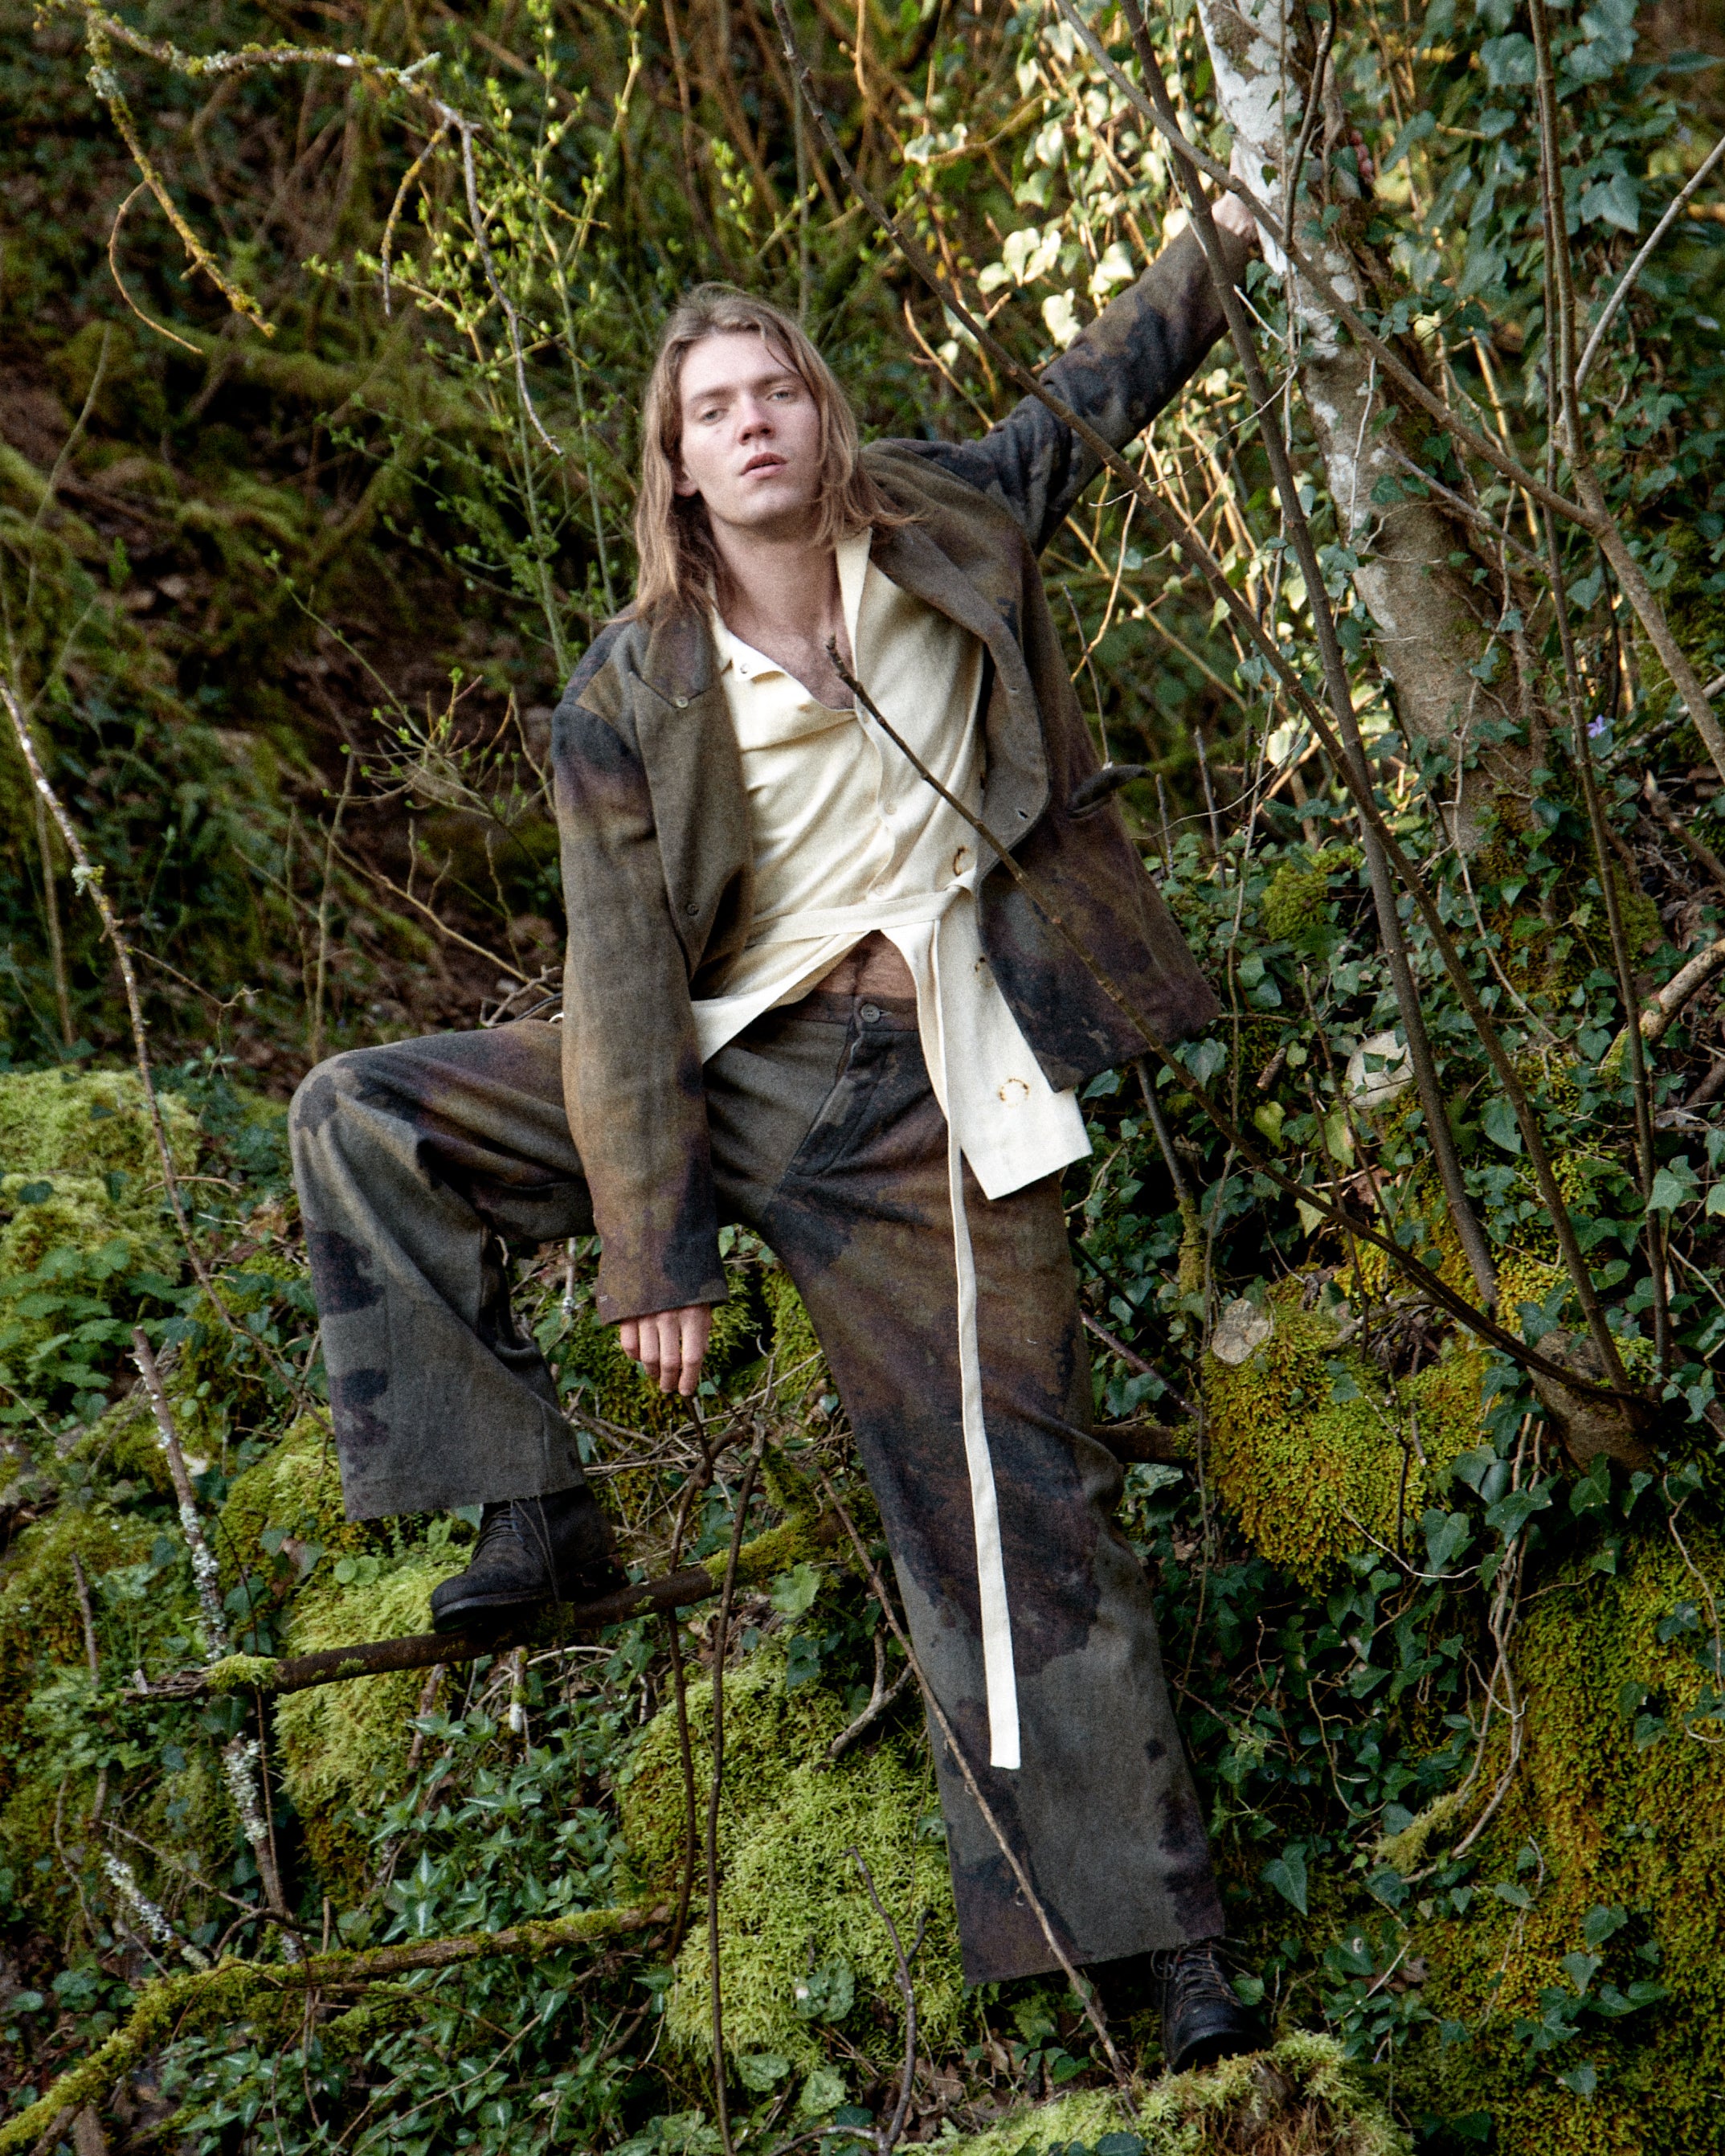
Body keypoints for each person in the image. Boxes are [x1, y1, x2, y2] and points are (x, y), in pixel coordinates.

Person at [288, 193, 1259, 2072]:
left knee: (1016, 1514)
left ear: (821, 411)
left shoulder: (956, 517)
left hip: (930, 1106)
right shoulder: (630, 686)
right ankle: (532, 1501)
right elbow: (620, 985)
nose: (752, 425)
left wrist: (1231, 225)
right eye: (713, 409)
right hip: (722, 1070)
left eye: (775, 392)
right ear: (676, 466)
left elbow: (1101, 386)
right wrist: (653, 1248)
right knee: (364, 1112)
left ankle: (1168, 1959)